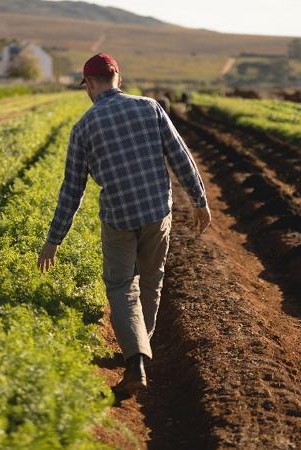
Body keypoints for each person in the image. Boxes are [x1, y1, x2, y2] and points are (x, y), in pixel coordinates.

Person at [37, 53, 212, 395]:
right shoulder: (149, 107)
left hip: (118, 217)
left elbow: (72, 190)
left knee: (120, 287)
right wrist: (199, 199)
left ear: (88, 83)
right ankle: (140, 351)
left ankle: (135, 361)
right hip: (156, 212)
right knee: (151, 280)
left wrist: (53, 240)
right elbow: (180, 155)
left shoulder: (83, 128)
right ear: (118, 75)